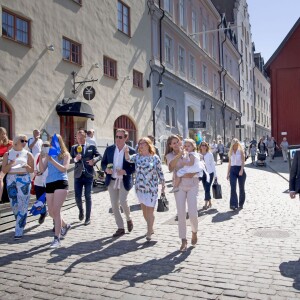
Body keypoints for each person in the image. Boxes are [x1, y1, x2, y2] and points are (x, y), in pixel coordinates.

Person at [124, 137, 165, 241]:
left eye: (143, 143)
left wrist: (163, 185)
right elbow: (128, 159)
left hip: (151, 188)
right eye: (140, 143)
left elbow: (160, 172)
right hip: (140, 188)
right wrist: (126, 152)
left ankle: (149, 232)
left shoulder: (155, 158)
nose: (141, 145)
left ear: (148, 145)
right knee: (144, 212)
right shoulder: (137, 157)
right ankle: (150, 226)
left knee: (150, 211)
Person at [165, 134, 199, 252]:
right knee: (181, 213)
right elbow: (171, 168)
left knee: (193, 212)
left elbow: (197, 165)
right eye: (173, 143)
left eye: (177, 142)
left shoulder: (189, 150)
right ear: (170, 145)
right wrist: (179, 155)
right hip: (179, 186)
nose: (176, 144)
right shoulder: (169, 155)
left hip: (192, 184)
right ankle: (183, 240)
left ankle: (194, 231)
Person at [101, 128, 136, 237]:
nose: (118, 139)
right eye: (116, 136)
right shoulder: (109, 149)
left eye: (120, 137)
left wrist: (125, 171)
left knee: (123, 201)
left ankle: (128, 218)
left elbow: (134, 167)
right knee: (114, 205)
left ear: (126, 138)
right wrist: (106, 169)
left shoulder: (131, 151)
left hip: (124, 180)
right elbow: (103, 163)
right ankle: (120, 227)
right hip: (112, 180)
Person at [39, 134, 71, 249]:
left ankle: (56, 238)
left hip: (61, 182)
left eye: (54, 141)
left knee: (56, 211)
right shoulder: (49, 154)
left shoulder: (65, 154)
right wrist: (41, 157)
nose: (51, 143)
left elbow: (64, 169)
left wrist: (52, 160)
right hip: (49, 183)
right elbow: (42, 170)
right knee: (51, 212)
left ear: (59, 142)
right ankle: (65, 225)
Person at [1, 134, 34, 239]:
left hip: (23, 179)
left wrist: (27, 166)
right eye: (22, 140)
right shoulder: (7, 154)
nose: (25, 143)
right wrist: (11, 164)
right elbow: (4, 171)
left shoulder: (28, 154)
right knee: (14, 205)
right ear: (15, 142)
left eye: (25, 141)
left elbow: (32, 170)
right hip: (10, 179)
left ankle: (18, 231)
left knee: (23, 204)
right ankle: (21, 222)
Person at [71, 129, 102, 225]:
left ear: (85, 137)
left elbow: (99, 156)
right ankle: (81, 210)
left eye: (81, 137)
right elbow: (70, 160)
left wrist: (94, 160)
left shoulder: (91, 147)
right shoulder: (74, 148)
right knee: (77, 197)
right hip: (78, 175)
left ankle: (87, 218)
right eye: (78, 137)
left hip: (89, 175)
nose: (79, 139)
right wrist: (76, 159)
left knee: (88, 196)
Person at [33, 141, 50, 225]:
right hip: (38, 182)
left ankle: (56, 221)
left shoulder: (52, 156)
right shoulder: (37, 155)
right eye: (44, 146)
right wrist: (36, 172)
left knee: (51, 202)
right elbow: (34, 168)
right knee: (40, 201)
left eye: (47, 146)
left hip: (49, 182)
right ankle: (43, 214)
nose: (45, 147)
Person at [226, 138, 246, 210]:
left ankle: (241, 203)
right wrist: (227, 173)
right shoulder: (230, 152)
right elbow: (229, 164)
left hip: (240, 169)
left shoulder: (240, 151)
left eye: (237, 145)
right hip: (232, 170)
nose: (236, 146)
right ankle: (233, 204)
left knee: (241, 188)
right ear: (232, 145)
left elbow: (243, 162)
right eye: (234, 145)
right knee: (233, 187)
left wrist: (241, 170)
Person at [199, 141, 216, 210]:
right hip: (202, 174)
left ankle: (205, 204)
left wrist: (215, 176)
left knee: (207, 188)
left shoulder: (210, 154)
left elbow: (213, 165)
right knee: (206, 188)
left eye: (205, 145)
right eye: (202, 145)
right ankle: (210, 202)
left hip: (209, 173)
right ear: (200, 147)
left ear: (207, 147)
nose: (203, 146)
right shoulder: (198, 155)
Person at [0, 127, 13, 202]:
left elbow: (8, 155)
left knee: (1, 178)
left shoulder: (9, 143)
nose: (4, 135)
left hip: (7, 163)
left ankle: (2, 198)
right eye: (2, 134)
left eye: (4, 134)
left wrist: (1, 159)